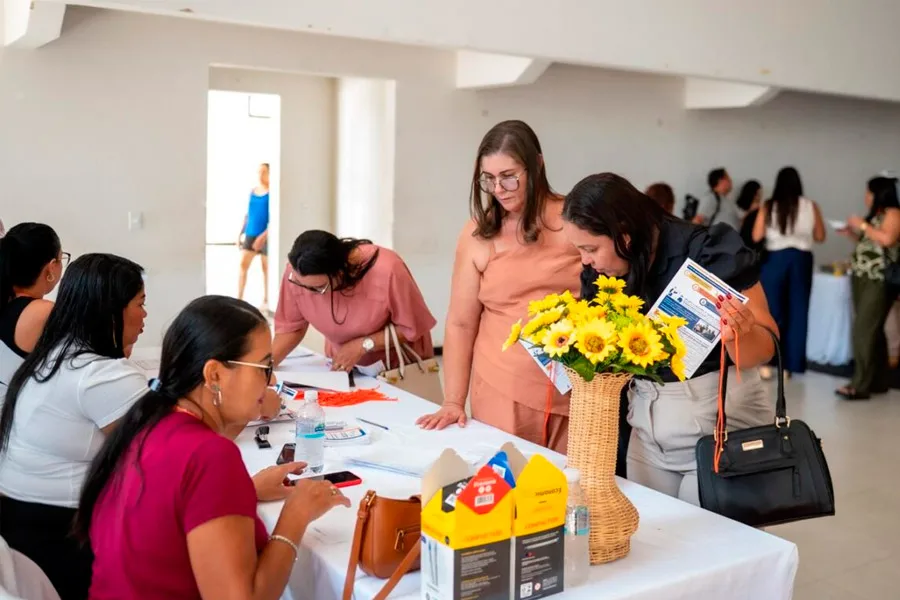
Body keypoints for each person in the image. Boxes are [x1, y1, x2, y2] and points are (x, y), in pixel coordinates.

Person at [76, 296, 351, 599]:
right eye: (263, 367)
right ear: (215, 375)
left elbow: (173, 508)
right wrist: (295, 517)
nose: (271, 381)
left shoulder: (148, 423)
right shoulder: (210, 456)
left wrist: (245, 490)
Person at [566, 173, 777, 505]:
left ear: (624, 236)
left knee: (713, 547)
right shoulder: (602, 273)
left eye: (590, 248)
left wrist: (742, 331)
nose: (585, 260)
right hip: (646, 428)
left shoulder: (707, 251)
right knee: (651, 541)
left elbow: (767, 346)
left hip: (718, 427)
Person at [416, 120, 582, 453]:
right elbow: (461, 323)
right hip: (500, 385)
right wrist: (453, 401)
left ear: (537, 165)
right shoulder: (479, 234)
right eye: (488, 178)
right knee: (504, 487)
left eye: (508, 175)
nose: (499, 188)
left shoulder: (573, 219)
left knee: (567, 491)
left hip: (573, 387)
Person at [0, 253, 147, 600]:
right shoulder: (101, 375)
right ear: (111, 309)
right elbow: (167, 455)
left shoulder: (55, 354)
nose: (145, 315)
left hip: (17, 527)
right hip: (60, 540)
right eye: (141, 303)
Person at [273, 230, 436, 371]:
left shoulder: (388, 270)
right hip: (344, 368)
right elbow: (291, 327)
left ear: (341, 271)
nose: (310, 293)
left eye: (320, 288)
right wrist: (263, 367)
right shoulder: (298, 273)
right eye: (299, 284)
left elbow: (412, 327)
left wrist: (362, 345)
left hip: (397, 370)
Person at [752, 167, 826, 378]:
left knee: (771, 312)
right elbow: (820, 236)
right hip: (801, 261)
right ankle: (789, 366)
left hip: (775, 260)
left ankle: (766, 364)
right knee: (798, 313)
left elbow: (756, 235)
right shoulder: (811, 206)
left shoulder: (769, 205)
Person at [835, 176, 900, 400]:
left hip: (878, 279)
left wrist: (862, 225)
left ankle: (859, 385)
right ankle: (878, 380)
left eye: (869, 193)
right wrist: (853, 234)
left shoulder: (893, 213)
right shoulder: (875, 215)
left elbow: (888, 239)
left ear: (879, 193)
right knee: (874, 330)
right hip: (862, 277)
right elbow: (871, 243)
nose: (866, 197)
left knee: (863, 329)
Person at [0, 223, 65, 398]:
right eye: (62, 258)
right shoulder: (43, 312)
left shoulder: (9, 303)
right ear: (51, 268)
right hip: (12, 418)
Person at [238, 162, 271, 312]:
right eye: (259, 172)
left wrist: (264, 236)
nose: (260, 175)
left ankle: (267, 300)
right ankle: (239, 299)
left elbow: (273, 218)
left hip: (266, 236)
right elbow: (248, 214)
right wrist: (240, 232)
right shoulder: (253, 191)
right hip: (251, 233)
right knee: (243, 266)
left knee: (266, 269)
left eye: (264, 172)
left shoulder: (272, 193)